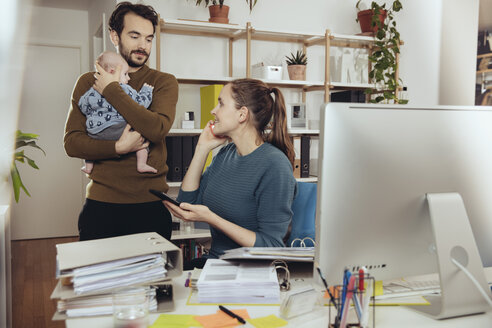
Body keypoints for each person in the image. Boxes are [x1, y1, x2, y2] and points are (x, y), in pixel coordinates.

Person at [64, 2, 178, 241]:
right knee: (96, 279)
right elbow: (72, 143)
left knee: (154, 280)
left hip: (150, 207)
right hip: (100, 207)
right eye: (135, 36)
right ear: (114, 36)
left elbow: (156, 129)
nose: (143, 46)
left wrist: (111, 88)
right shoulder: (87, 82)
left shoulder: (163, 82)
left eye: (148, 39)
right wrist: (118, 148)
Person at [165, 79, 297, 268]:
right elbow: (188, 203)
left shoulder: (275, 165)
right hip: (216, 264)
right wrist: (202, 149)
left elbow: (271, 246)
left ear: (242, 114)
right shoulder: (226, 153)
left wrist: (212, 218)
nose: (213, 111)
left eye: (221, 103)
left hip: (248, 270)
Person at [79, 51, 157, 175]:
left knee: (90, 146)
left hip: (96, 131)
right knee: (141, 139)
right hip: (117, 129)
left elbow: (82, 106)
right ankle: (141, 164)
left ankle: (88, 166)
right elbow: (141, 104)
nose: (128, 78)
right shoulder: (124, 89)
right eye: (125, 74)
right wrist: (146, 91)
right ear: (112, 72)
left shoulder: (91, 91)